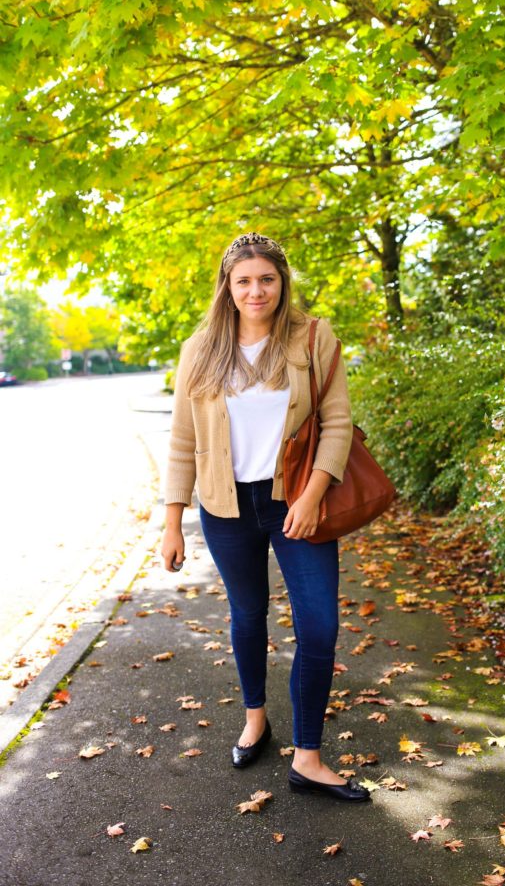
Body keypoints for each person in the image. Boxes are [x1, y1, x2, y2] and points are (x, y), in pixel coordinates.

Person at [160, 231, 371, 803]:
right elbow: (183, 439)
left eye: (267, 279)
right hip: (224, 506)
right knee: (249, 615)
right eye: (245, 280)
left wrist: (312, 495)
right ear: (227, 288)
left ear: (282, 282)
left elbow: (337, 421)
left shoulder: (312, 338)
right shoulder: (199, 350)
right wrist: (172, 519)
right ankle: (256, 718)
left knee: (320, 626)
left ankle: (308, 757)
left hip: (296, 499)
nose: (257, 290)